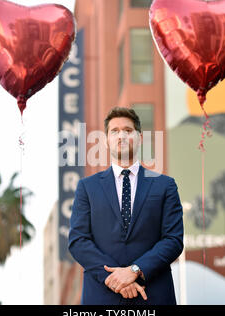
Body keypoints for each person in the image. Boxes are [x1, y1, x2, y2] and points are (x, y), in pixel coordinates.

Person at [68, 107, 184, 305]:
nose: (121, 135)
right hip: (102, 295)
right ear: (106, 140)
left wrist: (134, 270)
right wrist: (116, 279)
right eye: (114, 131)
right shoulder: (87, 187)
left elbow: (173, 240)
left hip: (153, 294)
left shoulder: (165, 185)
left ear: (139, 137)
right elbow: (78, 241)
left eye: (128, 131)